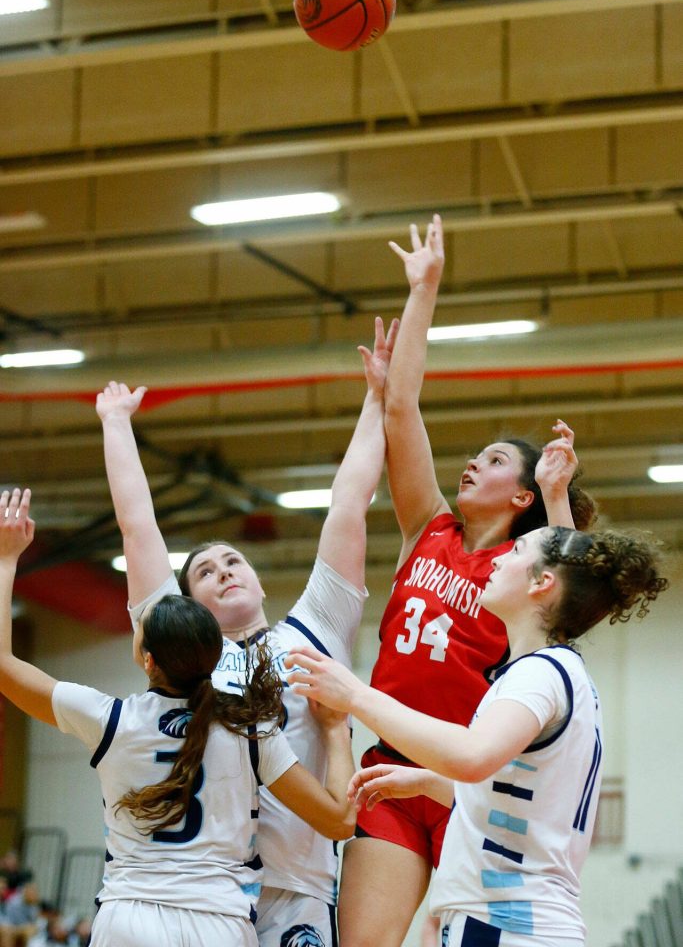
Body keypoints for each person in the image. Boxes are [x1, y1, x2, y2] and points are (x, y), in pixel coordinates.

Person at [335, 216, 598, 947]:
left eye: (490, 461)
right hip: (390, 769)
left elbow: (567, 593)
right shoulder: (428, 526)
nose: (470, 466)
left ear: (519, 496)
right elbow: (400, 408)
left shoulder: (519, 577)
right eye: (473, 458)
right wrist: (424, 290)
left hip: (469, 783)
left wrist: (555, 492)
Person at [95, 318, 397, 947]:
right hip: (202, 892)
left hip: (298, 886)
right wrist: (117, 425)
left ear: (259, 582)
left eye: (234, 560)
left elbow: (348, 502)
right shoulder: (179, 649)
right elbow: (138, 529)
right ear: (187, 601)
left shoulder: (316, 628)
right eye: (204, 570)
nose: (224, 569)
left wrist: (376, 400)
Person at [0, 488, 356, 947]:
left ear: (147, 660)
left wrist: (7, 559)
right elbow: (340, 821)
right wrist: (334, 732)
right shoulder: (250, 731)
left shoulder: (110, 721)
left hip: (128, 919)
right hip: (218, 923)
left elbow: (5, 668)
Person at [286, 524, 668, 946]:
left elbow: (471, 756)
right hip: (517, 924)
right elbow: (524, 800)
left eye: (517, 549)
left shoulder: (539, 674)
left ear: (542, 582)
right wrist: (429, 782)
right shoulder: (552, 672)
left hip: (509, 926)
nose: (500, 558)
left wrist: (356, 695)